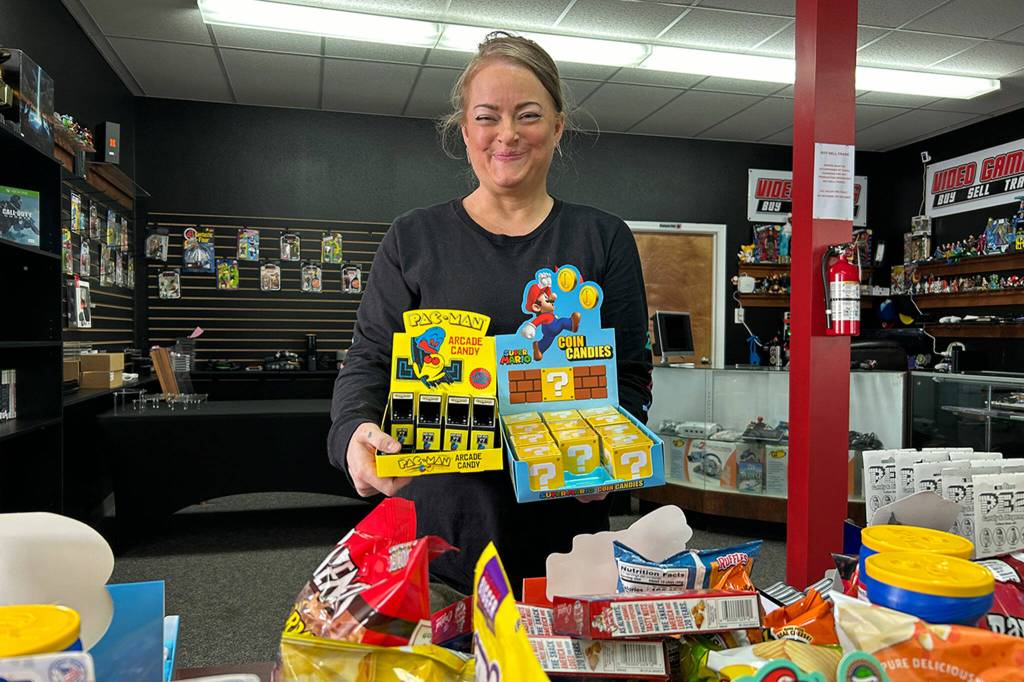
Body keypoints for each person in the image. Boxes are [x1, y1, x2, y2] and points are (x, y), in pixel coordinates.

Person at [328, 32, 653, 597]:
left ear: (557, 126)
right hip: (440, 538)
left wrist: (608, 459)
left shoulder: (602, 239)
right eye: (487, 117)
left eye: (528, 115)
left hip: (565, 541)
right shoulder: (413, 238)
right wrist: (353, 432)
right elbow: (369, 358)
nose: (506, 134)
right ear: (465, 130)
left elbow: (628, 375)